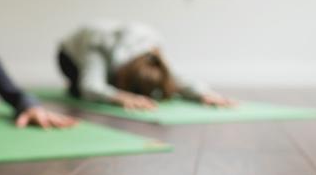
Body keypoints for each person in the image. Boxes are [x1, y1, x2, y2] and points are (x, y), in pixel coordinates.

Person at [57, 21, 234, 110]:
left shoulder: (152, 51)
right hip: (70, 56)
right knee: (80, 90)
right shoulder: (99, 45)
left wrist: (204, 94)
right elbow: (91, 87)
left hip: (116, 60)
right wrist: (119, 96)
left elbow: (178, 78)